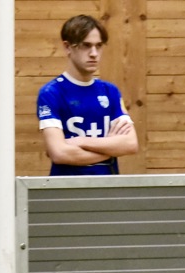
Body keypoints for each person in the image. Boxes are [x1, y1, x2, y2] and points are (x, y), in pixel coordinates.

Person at [36, 14, 139, 176]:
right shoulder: (51, 93)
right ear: (67, 47)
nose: (94, 53)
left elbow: (131, 144)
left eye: (98, 46)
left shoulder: (110, 91)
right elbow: (59, 153)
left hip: (107, 190)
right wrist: (110, 147)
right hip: (66, 191)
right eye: (86, 46)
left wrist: (80, 141)